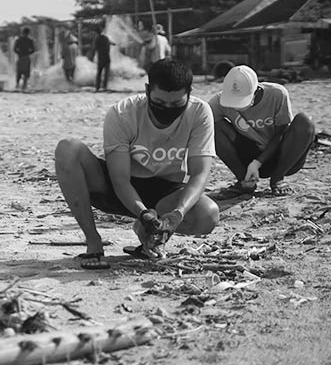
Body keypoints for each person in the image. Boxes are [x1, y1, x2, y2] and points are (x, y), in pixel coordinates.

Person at [54, 58, 219, 269]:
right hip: (118, 187)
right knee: (68, 149)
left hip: (165, 192)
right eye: (159, 103)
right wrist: (142, 212)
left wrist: (177, 215)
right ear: (148, 90)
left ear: (189, 92)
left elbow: (199, 174)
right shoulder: (123, 113)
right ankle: (93, 242)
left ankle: (148, 235)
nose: (167, 110)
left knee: (208, 215)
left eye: (176, 104)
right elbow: (120, 180)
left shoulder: (199, 113)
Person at [208, 65, 316, 198]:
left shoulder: (277, 94)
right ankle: (245, 182)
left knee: (305, 122)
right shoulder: (219, 102)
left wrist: (257, 162)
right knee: (211, 126)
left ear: (256, 91)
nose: (236, 106)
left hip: (282, 157)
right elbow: (199, 125)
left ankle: (277, 179)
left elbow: (280, 134)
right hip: (247, 155)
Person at [90, 25, 113, 92]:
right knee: (106, 74)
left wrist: (92, 57)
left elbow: (95, 48)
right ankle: (104, 86)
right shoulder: (106, 38)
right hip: (107, 58)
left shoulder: (97, 39)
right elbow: (110, 44)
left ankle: (98, 87)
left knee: (99, 73)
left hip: (101, 58)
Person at [13, 27, 36, 91]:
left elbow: (14, 49)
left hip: (21, 57)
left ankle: (18, 85)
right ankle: (23, 86)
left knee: (20, 72)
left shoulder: (19, 40)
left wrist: (20, 53)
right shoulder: (29, 40)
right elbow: (33, 50)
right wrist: (28, 53)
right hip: (25, 57)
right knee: (25, 72)